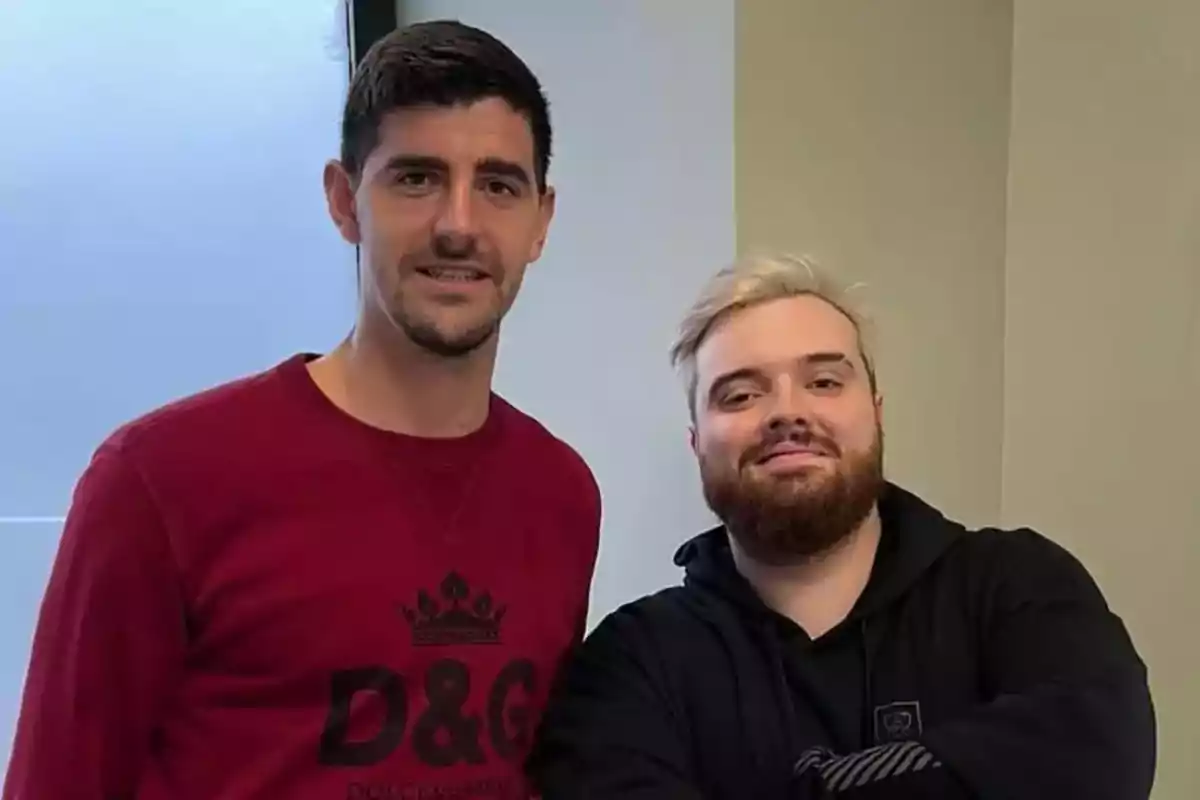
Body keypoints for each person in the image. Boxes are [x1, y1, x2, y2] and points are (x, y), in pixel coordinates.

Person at [4, 20, 601, 800]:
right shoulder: (161, 481)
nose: (459, 225)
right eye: (416, 178)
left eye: (497, 185)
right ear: (344, 202)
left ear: (541, 222)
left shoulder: (560, 495)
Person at [526, 253, 1155, 799]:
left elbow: (1097, 757)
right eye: (740, 395)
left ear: (876, 414)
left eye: (824, 381)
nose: (788, 412)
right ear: (697, 444)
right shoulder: (630, 663)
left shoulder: (1016, 587)